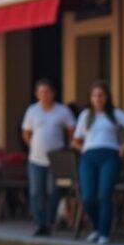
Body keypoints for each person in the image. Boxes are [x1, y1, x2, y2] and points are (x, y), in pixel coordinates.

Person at [72, 81, 124, 245]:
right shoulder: (85, 115)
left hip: (109, 155)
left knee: (104, 195)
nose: (98, 98)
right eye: (95, 95)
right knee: (88, 196)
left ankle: (104, 232)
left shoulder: (115, 113)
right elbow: (75, 140)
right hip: (89, 156)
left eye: (101, 95)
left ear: (107, 97)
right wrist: (84, 149)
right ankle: (96, 227)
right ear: (91, 98)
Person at [21, 78, 75, 236]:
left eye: (47, 92)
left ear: (53, 93)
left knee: (54, 190)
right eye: (41, 92)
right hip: (36, 158)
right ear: (37, 94)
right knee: (36, 191)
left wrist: (67, 147)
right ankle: (40, 223)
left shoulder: (62, 110)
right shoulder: (32, 111)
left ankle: (50, 220)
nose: (44, 95)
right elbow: (26, 132)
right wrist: (32, 144)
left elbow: (72, 129)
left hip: (56, 158)